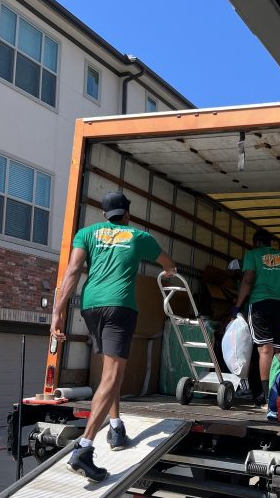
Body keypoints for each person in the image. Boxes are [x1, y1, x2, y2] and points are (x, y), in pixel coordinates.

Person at [50, 191, 176, 482]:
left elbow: (72, 272)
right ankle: (84, 448)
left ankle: (116, 427)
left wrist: (57, 312)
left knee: (111, 372)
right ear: (127, 214)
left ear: (104, 214)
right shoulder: (138, 236)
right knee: (112, 376)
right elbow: (168, 264)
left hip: (91, 305)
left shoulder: (87, 233)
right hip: (120, 307)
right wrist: (170, 272)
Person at [233, 229, 280, 407]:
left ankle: (265, 395)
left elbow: (248, 279)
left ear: (256, 243)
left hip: (260, 304)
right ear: (270, 243)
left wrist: (238, 306)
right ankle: (278, 393)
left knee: (264, 350)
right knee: (277, 351)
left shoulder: (252, 255)